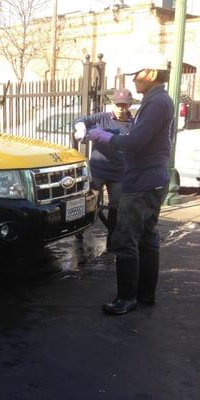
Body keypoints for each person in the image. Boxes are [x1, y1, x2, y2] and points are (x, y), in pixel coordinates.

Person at [86, 54, 174, 315]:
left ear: (151, 73)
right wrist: (114, 134)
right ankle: (145, 294)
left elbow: (135, 142)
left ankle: (126, 299)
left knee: (125, 240)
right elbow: (138, 135)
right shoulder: (157, 101)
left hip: (141, 183)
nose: (134, 79)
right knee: (147, 238)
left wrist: (102, 136)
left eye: (138, 73)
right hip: (153, 180)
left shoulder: (156, 103)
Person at [74, 89, 134, 247]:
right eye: (118, 104)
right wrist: (81, 128)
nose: (121, 108)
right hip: (98, 169)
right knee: (90, 201)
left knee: (116, 205)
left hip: (119, 172)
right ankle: (79, 229)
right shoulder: (102, 117)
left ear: (129, 105)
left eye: (124, 105)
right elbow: (82, 120)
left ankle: (112, 238)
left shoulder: (133, 124)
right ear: (112, 104)